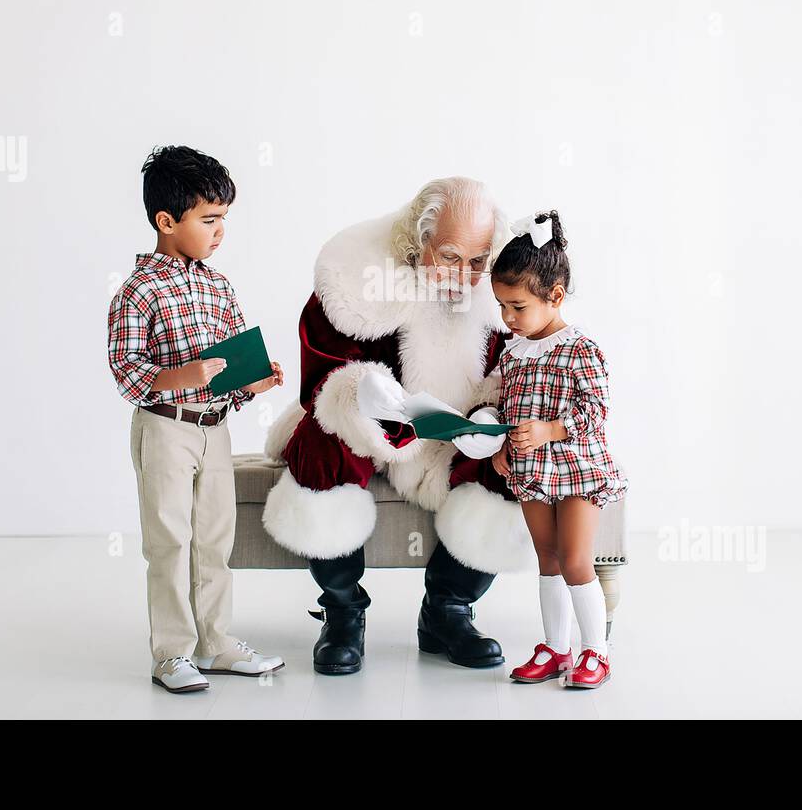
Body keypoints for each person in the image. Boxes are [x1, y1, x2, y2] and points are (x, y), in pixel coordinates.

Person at [260, 177, 536, 675]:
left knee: (512, 461)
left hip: (451, 441)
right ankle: (342, 612)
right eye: (450, 257)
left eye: (478, 261)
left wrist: (487, 416)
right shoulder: (358, 278)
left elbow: (516, 372)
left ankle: (448, 611)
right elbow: (325, 377)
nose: (464, 276)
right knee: (323, 443)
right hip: (370, 431)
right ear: (420, 240)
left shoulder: (499, 298)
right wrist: (362, 391)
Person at [107, 145, 285, 693]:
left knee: (214, 541)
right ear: (167, 221)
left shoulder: (218, 286)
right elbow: (126, 368)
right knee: (169, 541)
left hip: (214, 430)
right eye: (208, 219)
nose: (219, 230)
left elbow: (230, 368)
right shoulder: (137, 291)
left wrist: (254, 382)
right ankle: (171, 653)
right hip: (165, 427)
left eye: (223, 218)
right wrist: (181, 375)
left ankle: (216, 642)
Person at [490, 210, 627, 689]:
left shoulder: (580, 349)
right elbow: (508, 407)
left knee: (574, 560)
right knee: (546, 559)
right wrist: (501, 444)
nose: (508, 318)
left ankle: (597, 651)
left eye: (518, 307)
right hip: (531, 469)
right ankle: (555, 647)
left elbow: (595, 412)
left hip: (576, 468)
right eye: (501, 307)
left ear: (555, 296)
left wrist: (549, 430)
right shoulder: (512, 353)